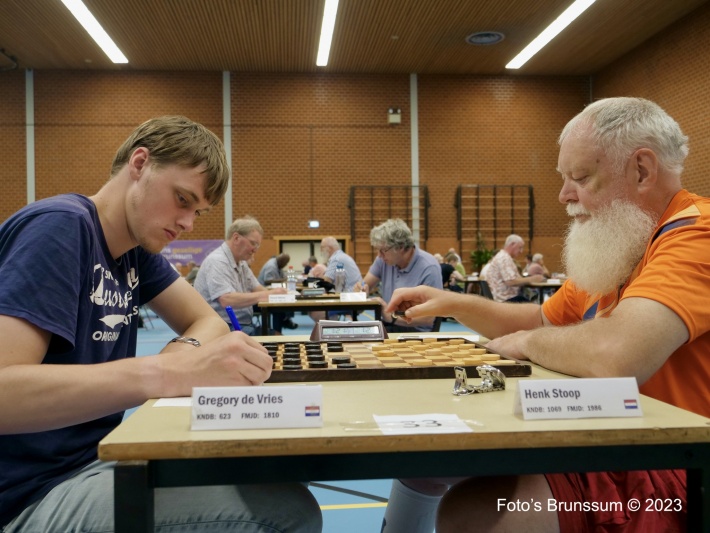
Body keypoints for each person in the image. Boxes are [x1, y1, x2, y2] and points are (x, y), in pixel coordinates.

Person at [382, 97, 708, 533]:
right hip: (608, 441)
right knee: (423, 462)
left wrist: (527, 344)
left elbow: (615, 354)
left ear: (642, 171)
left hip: (673, 471)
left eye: (581, 177)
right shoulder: (623, 244)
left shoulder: (698, 235)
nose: (564, 195)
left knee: (476, 514)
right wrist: (453, 302)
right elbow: (541, 321)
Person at [0, 116, 321, 533]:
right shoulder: (61, 226)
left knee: (275, 475)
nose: (188, 223)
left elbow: (207, 320)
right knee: (287, 513)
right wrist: (166, 372)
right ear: (140, 164)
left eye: (197, 211)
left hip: (93, 459)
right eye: (182, 199)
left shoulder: (135, 250)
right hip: (27, 495)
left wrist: (182, 357)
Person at [194, 217, 296, 335]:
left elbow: (257, 288)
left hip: (241, 323)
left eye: (257, 246)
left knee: (279, 338)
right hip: (223, 327)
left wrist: (278, 293)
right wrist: (267, 294)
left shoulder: (241, 263)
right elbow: (226, 300)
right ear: (236, 238)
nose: (255, 250)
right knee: (278, 340)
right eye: (253, 243)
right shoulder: (217, 261)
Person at [355, 219, 442, 332]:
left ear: (401, 247)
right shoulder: (383, 260)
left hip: (416, 332)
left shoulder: (429, 268)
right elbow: (365, 284)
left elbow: (428, 319)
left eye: (383, 250)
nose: (379, 255)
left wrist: (392, 317)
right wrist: (361, 289)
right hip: (390, 325)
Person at [310, 237, 363, 322]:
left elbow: (326, 281)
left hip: (350, 299)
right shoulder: (342, 256)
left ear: (329, 249)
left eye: (322, 248)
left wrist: (312, 285)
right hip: (356, 297)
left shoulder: (336, 259)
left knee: (315, 311)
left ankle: (331, 328)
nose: (320, 251)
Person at [485, 234, 544, 302]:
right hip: (506, 300)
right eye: (520, 247)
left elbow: (512, 280)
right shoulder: (504, 258)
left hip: (504, 298)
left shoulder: (503, 256)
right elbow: (510, 281)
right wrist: (532, 279)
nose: (521, 251)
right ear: (512, 244)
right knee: (536, 305)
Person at [257, 253, 298, 330]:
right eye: (285, 263)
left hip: (271, 292)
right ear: (281, 261)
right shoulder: (271, 266)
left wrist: (284, 279)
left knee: (285, 302)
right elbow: (267, 281)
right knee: (278, 308)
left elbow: (283, 277)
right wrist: (283, 280)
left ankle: (285, 320)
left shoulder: (278, 265)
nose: (285, 265)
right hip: (263, 294)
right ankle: (279, 328)